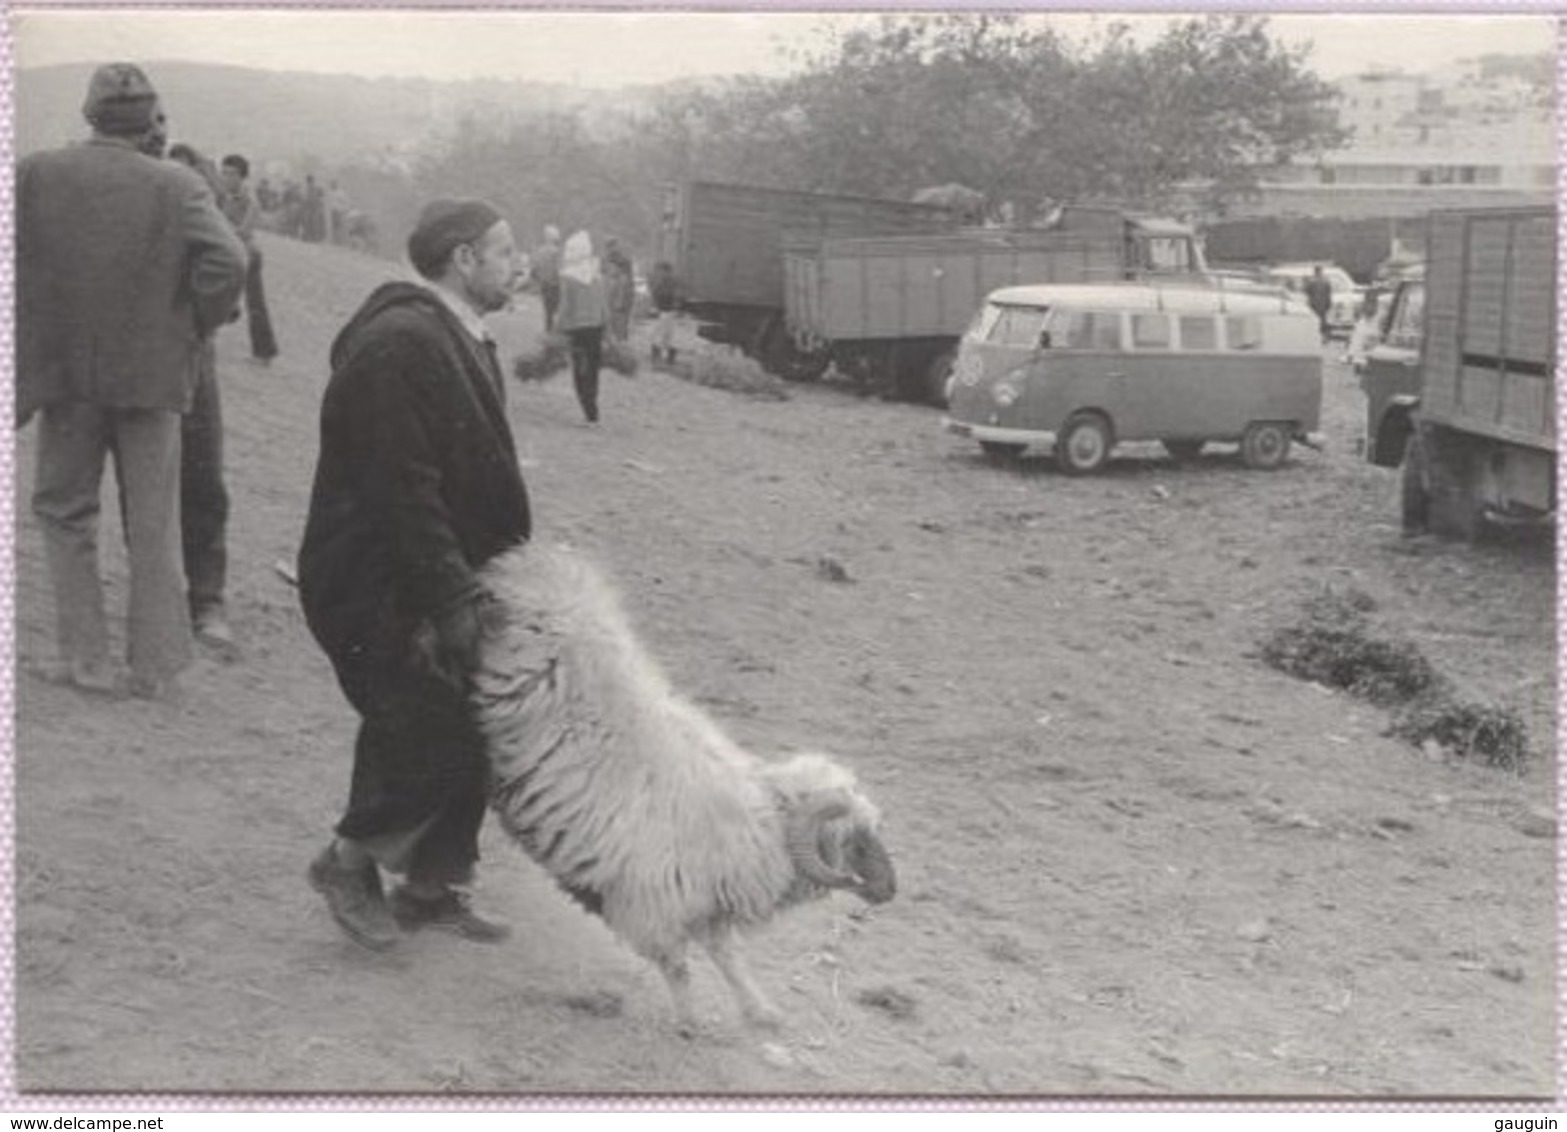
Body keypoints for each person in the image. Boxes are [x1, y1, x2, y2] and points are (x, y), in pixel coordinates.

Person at [299, 198, 531, 951]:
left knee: (478, 711)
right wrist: (451, 597)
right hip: (377, 576)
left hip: (432, 568)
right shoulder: (401, 343)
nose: (515, 262)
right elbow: (401, 488)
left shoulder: (456, 335)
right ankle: (346, 862)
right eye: (502, 250)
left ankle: (431, 886)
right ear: (462, 260)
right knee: (423, 714)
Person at [16, 63, 247, 700]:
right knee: (152, 521)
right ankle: (157, 667)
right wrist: (192, 324)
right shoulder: (176, 184)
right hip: (153, 378)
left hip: (65, 375)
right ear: (150, 122)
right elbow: (229, 258)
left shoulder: (37, 173)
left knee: (64, 512)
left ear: (89, 114)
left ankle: (85, 659)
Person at [220, 154, 280, 365]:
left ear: (242, 176)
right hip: (231, 253)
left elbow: (244, 231)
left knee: (255, 304)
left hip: (248, 256)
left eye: (232, 174)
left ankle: (264, 353)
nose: (226, 178)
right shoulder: (225, 197)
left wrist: (220, 228)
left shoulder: (250, 200)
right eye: (224, 172)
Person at [555, 230, 608, 424]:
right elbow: (604, 305)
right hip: (596, 327)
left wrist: (556, 328)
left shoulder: (569, 277)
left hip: (576, 329)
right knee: (593, 370)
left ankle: (586, 409)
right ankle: (593, 411)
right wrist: (607, 328)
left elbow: (565, 306)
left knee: (579, 369)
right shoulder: (596, 275)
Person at [602, 236, 635, 343]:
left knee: (621, 326)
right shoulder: (604, 261)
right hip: (609, 299)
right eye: (609, 246)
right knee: (610, 326)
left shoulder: (624, 262)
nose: (612, 248)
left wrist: (626, 300)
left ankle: (621, 346)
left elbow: (628, 282)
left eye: (613, 245)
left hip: (621, 299)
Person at [649, 260, 682, 365]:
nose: (661, 273)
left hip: (669, 311)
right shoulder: (662, 281)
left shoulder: (672, 282)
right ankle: (658, 356)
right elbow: (655, 294)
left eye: (662, 271)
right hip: (663, 311)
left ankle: (668, 357)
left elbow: (676, 296)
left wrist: (676, 307)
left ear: (667, 271)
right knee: (661, 335)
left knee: (667, 335)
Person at [531, 225, 562, 332]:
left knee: (548, 312)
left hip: (545, 286)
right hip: (556, 285)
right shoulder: (557, 253)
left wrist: (538, 279)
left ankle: (548, 333)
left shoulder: (540, 252)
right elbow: (559, 270)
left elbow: (534, 270)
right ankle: (557, 334)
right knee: (558, 311)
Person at [1304, 264, 1333, 343]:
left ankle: (1315, 336)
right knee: (1323, 321)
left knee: (1314, 321)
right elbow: (1329, 293)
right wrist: (1329, 304)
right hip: (1323, 305)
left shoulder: (1311, 282)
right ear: (1321, 271)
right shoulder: (1326, 281)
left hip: (1314, 305)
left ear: (1315, 271)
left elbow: (1307, 292)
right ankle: (1324, 337)